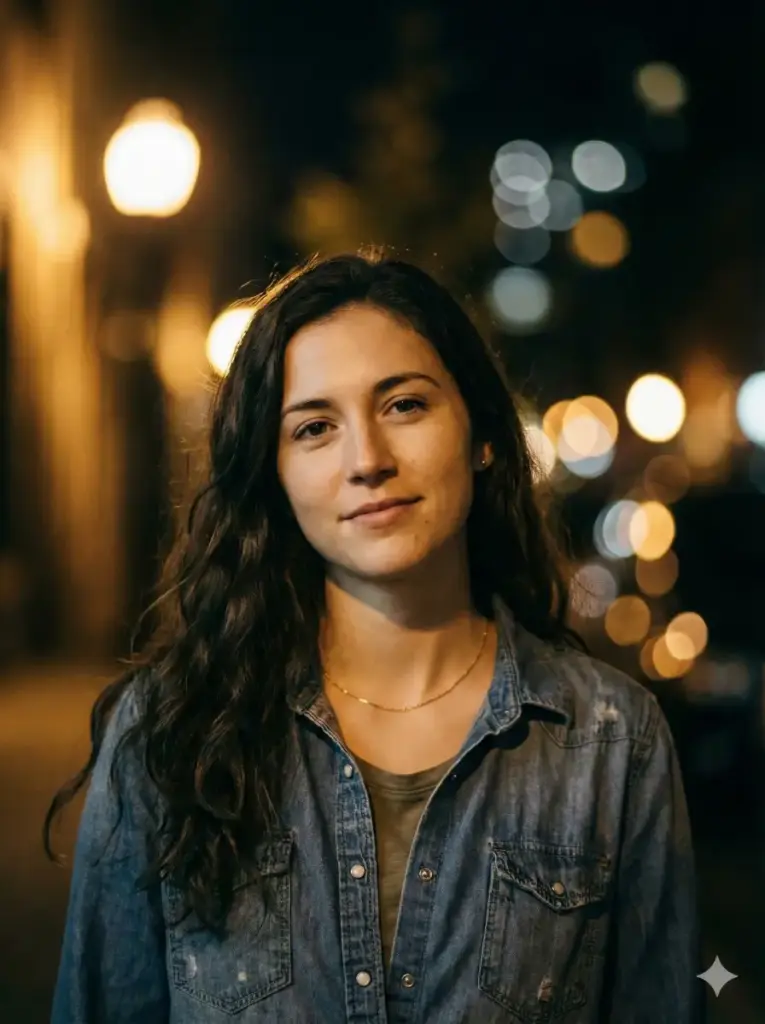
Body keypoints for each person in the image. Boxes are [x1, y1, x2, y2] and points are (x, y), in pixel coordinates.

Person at [45, 250, 704, 1023]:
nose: (367, 461)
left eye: (404, 406)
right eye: (315, 427)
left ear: (482, 435)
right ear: (275, 473)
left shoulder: (610, 741)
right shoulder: (168, 733)